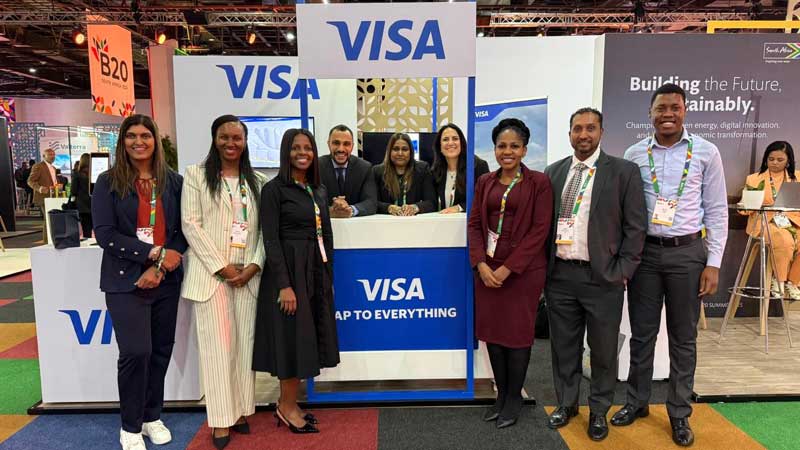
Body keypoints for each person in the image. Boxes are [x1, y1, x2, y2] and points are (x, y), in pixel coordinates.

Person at [613, 83, 728, 447]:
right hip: (645, 255)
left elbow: (717, 211)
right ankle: (637, 402)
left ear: (685, 111)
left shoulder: (707, 153)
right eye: (661, 107)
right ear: (649, 112)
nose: (668, 113)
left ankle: (679, 413)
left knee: (683, 338)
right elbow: (624, 211)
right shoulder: (634, 153)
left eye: (675, 107)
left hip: (688, 254)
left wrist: (714, 263)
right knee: (642, 335)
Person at [544, 108, 647, 441]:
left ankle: (599, 410)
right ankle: (567, 403)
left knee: (602, 352)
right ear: (569, 133)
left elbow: (635, 227)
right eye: (577, 129)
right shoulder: (554, 172)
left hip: (603, 279)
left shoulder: (623, 172)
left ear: (602, 132)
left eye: (590, 128)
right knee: (563, 348)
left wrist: (623, 271)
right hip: (560, 276)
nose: (583, 135)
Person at [91, 114, 187, 450]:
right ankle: (130, 426)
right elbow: (105, 234)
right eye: (131, 136)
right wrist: (153, 254)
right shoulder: (108, 182)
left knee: (160, 351)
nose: (138, 142)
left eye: (145, 135)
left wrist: (160, 266)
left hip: (166, 280)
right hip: (124, 281)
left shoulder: (173, 182)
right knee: (136, 352)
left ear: (155, 141)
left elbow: (182, 232)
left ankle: (151, 417)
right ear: (122, 141)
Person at [181, 115, 267, 449]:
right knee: (218, 349)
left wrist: (254, 266)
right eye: (224, 137)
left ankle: (242, 410)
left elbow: (262, 232)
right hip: (212, 277)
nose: (231, 144)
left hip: (248, 278)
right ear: (214, 139)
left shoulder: (256, 182)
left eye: (237, 138)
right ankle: (219, 419)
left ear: (245, 142)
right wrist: (223, 268)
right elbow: (191, 225)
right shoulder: (196, 177)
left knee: (244, 347)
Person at [253, 128, 340, 434]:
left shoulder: (318, 189)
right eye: (296, 148)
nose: (303, 153)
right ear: (285, 152)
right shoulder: (274, 190)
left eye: (308, 148)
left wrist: (326, 274)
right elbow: (271, 240)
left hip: (314, 273)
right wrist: (284, 285)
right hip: (289, 275)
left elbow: (325, 234)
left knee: (306, 341)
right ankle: (287, 406)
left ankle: (289, 402)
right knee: (291, 341)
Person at [467, 118, 553, 429]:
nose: (507, 151)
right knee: (494, 336)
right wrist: (481, 264)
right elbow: (475, 224)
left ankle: (514, 398)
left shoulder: (538, 183)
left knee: (516, 336)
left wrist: (507, 268)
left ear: (524, 150)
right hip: (487, 270)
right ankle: (501, 396)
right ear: (494, 149)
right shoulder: (485, 182)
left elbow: (539, 230)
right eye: (502, 146)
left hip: (522, 273)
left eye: (514, 146)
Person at [741, 141, 800, 300]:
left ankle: (793, 281)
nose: (774, 162)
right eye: (771, 159)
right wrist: (752, 203)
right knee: (784, 239)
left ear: (788, 161)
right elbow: (744, 209)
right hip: (764, 222)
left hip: (792, 221)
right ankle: (779, 280)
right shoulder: (754, 179)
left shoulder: (798, 177)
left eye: (779, 160)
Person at [318, 124, 377, 218]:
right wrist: (329, 211)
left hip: (355, 227)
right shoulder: (316, 166)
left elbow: (371, 203)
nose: (341, 149)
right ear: (328, 144)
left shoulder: (365, 168)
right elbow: (309, 201)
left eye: (346, 144)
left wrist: (351, 210)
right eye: (336, 143)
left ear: (352, 146)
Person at [431, 123, 490, 213]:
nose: (450, 143)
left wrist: (459, 207)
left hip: (469, 223)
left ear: (461, 143)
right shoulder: (435, 171)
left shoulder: (478, 166)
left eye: (455, 139)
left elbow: (486, 198)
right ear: (440, 147)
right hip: (442, 224)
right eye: (445, 139)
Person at [373, 132, 436, 216]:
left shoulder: (423, 169)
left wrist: (415, 207)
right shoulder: (377, 171)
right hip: (387, 224)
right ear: (389, 151)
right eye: (395, 149)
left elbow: (431, 203)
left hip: (415, 223)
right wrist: (389, 208)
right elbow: (371, 203)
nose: (400, 153)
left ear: (411, 152)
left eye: (404, 149)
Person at [70, 153, 93, 237]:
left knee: (86, 228)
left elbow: (73, 191)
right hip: (93, 204)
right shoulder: (94, 174)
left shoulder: (77, 174)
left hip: (82, 206)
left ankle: (87, 245)